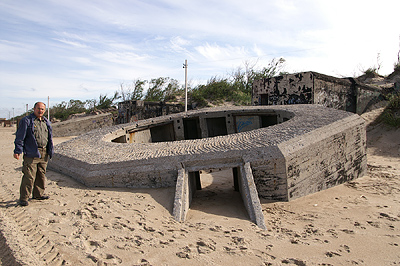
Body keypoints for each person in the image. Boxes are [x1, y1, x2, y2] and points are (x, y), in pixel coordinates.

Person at [14, 102, 54, 206]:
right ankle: (23, 198)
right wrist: (18, 151)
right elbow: (20, 137)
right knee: (29, 176)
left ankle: (38, 194)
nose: (40, 111)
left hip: (44, 152)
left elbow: (49, 137)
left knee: (41, 175)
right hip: (31, 153)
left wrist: (50, 150)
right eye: (38, 109)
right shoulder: (26, 121)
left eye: (42, 109)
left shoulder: (46, 122)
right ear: (34, 109)